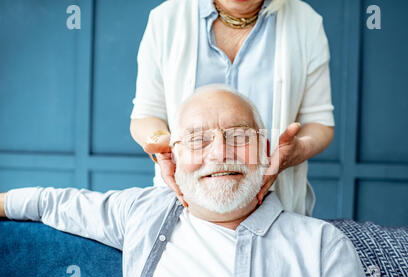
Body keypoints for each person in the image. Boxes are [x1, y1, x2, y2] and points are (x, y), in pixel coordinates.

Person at [0, 86, 370, 277]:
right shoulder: (142, 211)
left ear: (267, 150)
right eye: (197, 139)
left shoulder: (324, 246)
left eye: (239, 136)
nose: (219, 152)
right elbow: (53, 202)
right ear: (173, 156)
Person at [129, 0, 335, 216]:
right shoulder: (166, 18)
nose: (220, 153)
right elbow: (146, 116)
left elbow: (319, 123)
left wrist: (298, 150)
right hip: (187, 206)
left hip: (276, 208)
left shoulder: (305, 22)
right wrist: (163, 145)